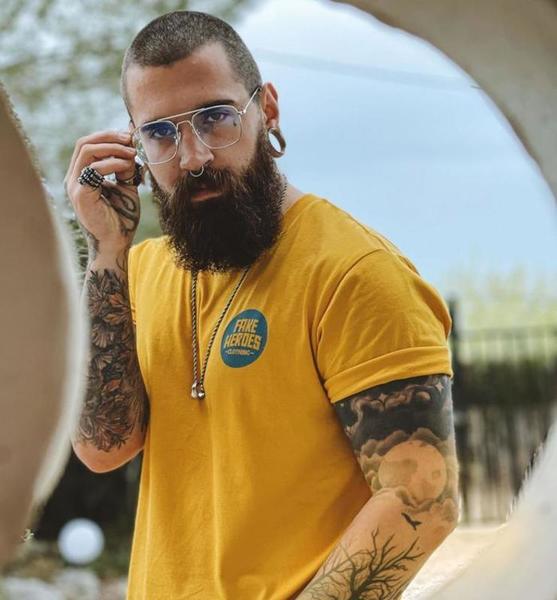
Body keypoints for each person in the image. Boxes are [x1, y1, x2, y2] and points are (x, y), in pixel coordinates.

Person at [65, 10, 459, 600]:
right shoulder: (137, 273)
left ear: (266, 110)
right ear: (134, 146)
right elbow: (102, 448)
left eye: (216, 117)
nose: (193, 156)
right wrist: (106, 249)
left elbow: (422, 502)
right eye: (162, 133)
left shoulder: (354, 271)